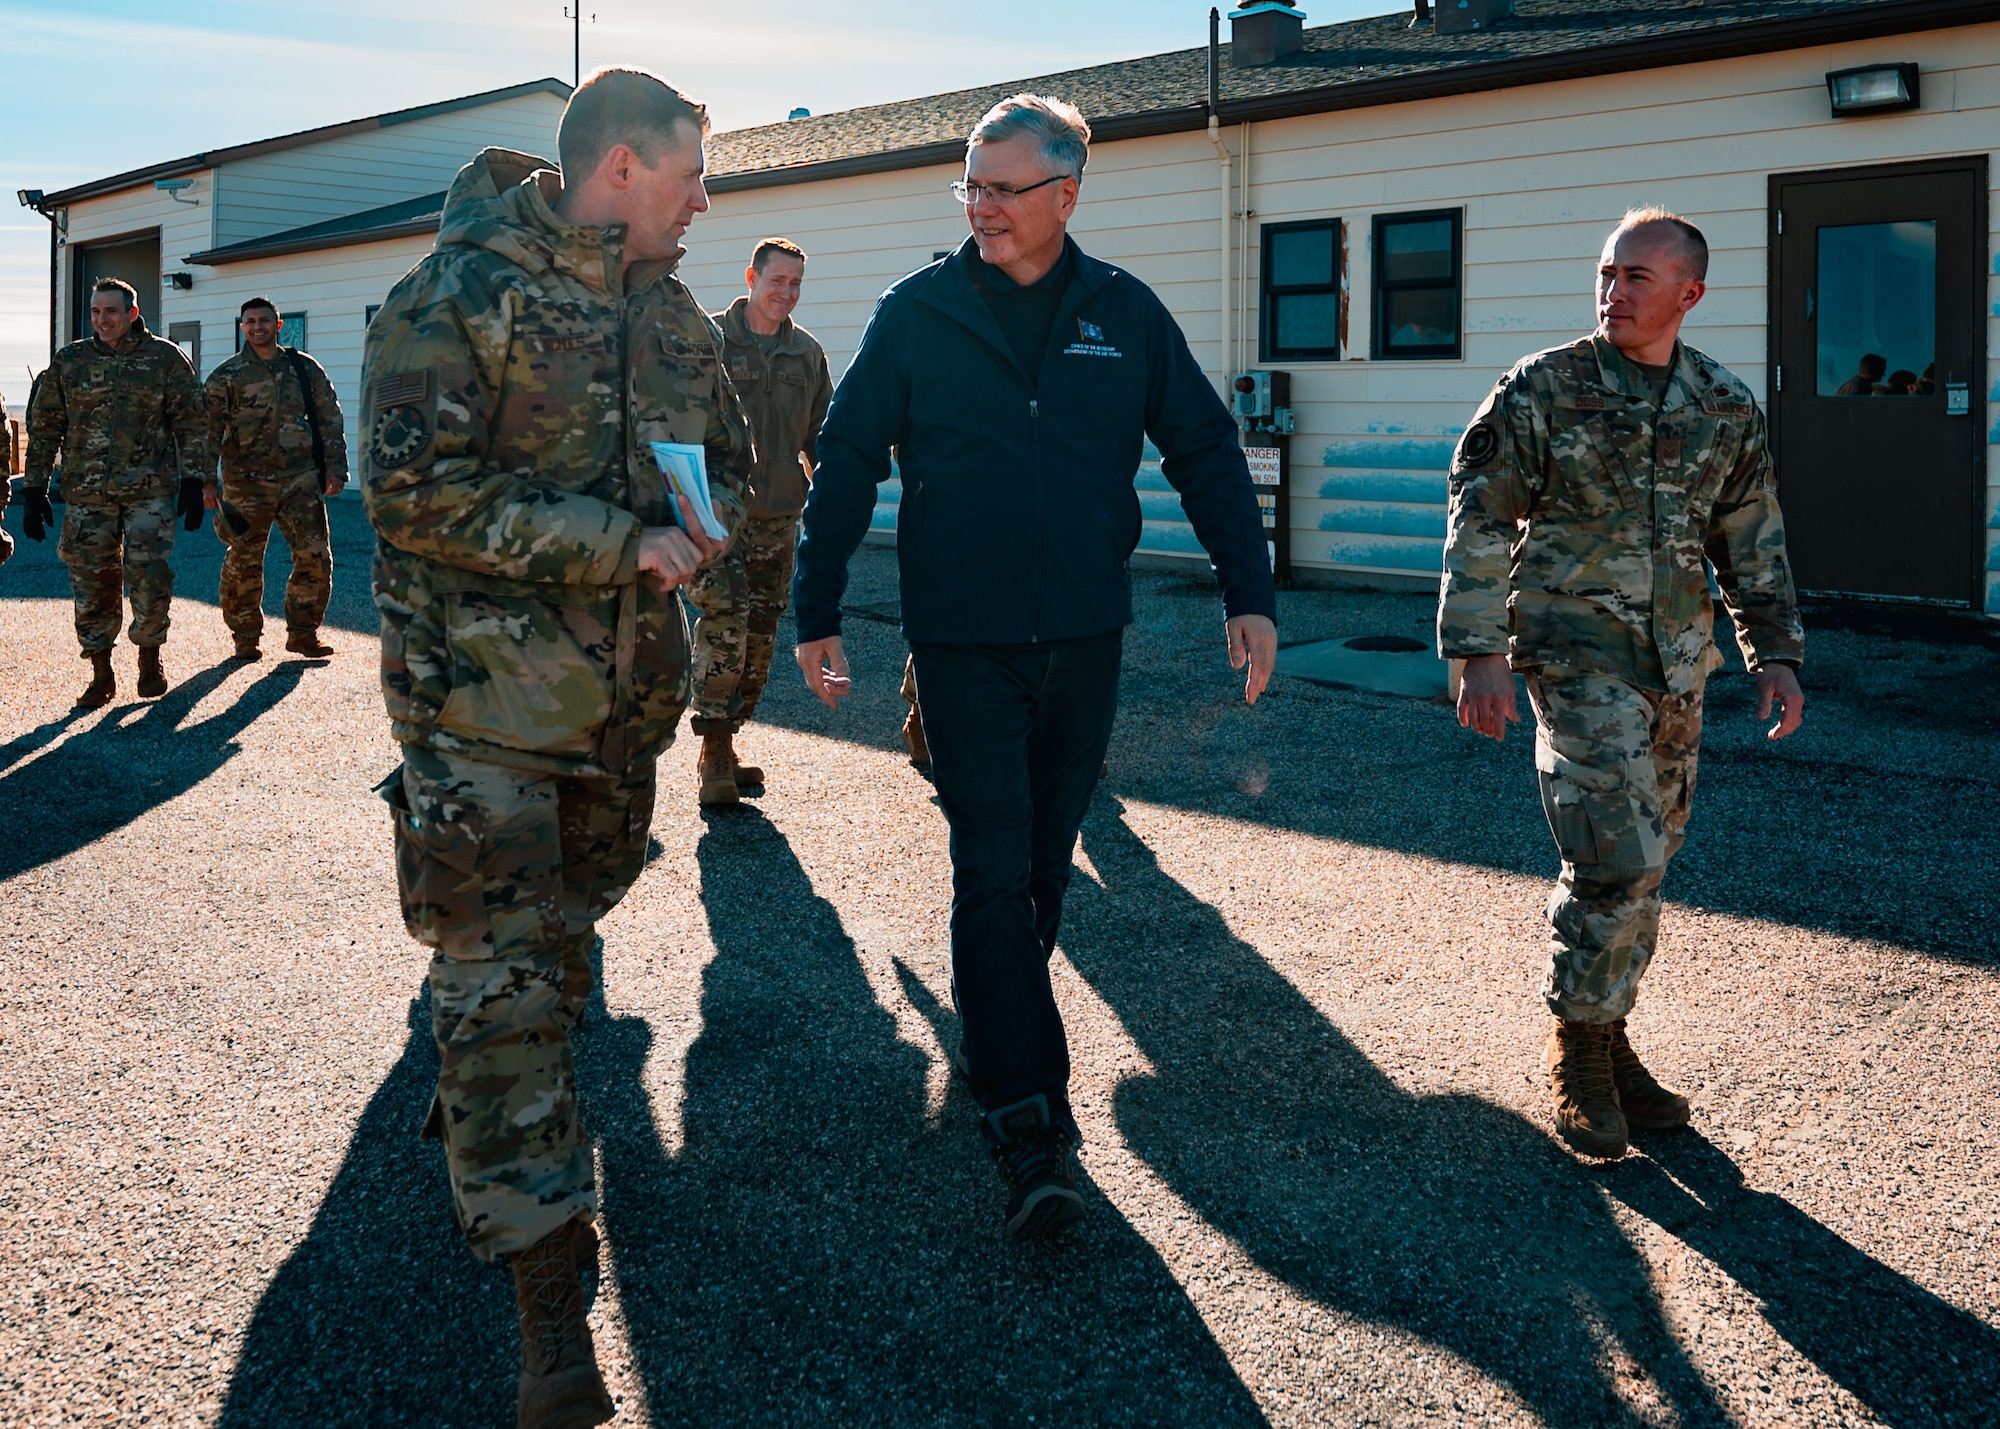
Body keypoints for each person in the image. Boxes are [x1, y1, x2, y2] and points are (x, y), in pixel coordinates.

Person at [791, 94, 1277, 1241]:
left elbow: (1205, 448)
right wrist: (815, 608)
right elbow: (850, 457)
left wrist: (1247, 591)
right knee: (992, 868)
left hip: (1082, 640)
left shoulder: (1122, 313)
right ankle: (1028, 1123)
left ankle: (997, 1021)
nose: (982, 206)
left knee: (1041, 873)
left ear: (1067, 193)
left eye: (1004, 187)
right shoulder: (914, 314)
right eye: (970, 183)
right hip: (960, 646)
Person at [360, 67, 750, 1429]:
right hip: (479, 713)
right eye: (694, 172)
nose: (708, 200)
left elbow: (731, 462)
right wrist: (613, 542)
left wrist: (709, 518)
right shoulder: (457, 296)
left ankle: (486, 1069)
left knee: (566, 932)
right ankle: (547, 1310)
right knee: (510, 979)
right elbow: (408, 489)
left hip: (620, 713)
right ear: (625, 167)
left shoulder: (676, 313)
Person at [1439, 207, 1805, 1163]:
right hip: (1575, 656)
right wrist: (1476, 651)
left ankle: (1609, 1033)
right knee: (1617, 856)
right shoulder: (1544, 390)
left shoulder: (1721, 405)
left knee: (1651, 861)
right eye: (1607, 273)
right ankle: (1579, 1050)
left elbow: (1751, 538)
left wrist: (1776, 653)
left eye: (1638, 277)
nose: (1615, 292)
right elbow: (1480, 517)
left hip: (1676, 664)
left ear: (1690, 293)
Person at [685, 237, 833, 805]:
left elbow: (822, 435)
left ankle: (726, 741)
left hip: (776, 517)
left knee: (763, 632)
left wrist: (834, 495)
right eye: (777, 281)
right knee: (726, 620)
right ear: (752, 277)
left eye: (796, 284)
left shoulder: (807, 355)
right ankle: (715, 751)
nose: (787, 293)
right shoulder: (710, 341)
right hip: (719, 518)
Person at [23, 278, 214, 707]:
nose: (102, 320)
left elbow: (191, 423)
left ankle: (150, 658)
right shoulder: (70, 360)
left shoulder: (165, 359)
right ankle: (101, 671)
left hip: (149, 491)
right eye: (95, 312)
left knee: (150, 577)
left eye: (110, 311)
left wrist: (194, 480)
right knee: (92, 583)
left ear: (132, 312)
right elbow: (46, 427)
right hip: (87, 495)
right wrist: (34, 488)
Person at [203, 296, 349, 660]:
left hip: (300, 477)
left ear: (278, 325)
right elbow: (206, 431)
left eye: (264, 320)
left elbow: (329, 418)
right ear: (242, 327)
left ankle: (303, 633)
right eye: (250, 321)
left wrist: (335, 468)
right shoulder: (227, 376)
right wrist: (205, 481)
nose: (257, 326)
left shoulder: (303, 369)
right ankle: (245, 637)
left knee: (314, 555)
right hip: (245, 483)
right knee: (244, 560)